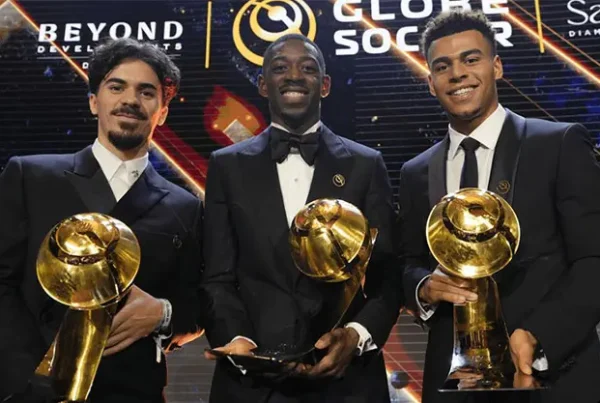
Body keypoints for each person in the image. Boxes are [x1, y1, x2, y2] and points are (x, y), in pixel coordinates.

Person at [398, 10, 600, 403]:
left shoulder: (558, 145)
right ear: (431, 82)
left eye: (471, 59)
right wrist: (424, 287)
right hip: (454, 384)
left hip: (552, 375)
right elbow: (408, 263)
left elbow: (593, 259)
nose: (458, 74)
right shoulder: (415, 172)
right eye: (443, 66)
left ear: (497, 67)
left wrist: (540, 337)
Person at [0, 38, 204, 403]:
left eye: (146, 92)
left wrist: (163, 314)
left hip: (133, 392)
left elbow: (198, 304)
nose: (131, 100)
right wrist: (24, 375)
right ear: (94, 101)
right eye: (116, 87)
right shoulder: (30, 177)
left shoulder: (185, 206)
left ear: (162, 112)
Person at [201, 34, 403, 402]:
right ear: (263, 84)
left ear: (325, 85)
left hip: (348, 383)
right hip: (253, 385)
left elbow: (387, 276)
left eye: (307, 68)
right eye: (280, 68)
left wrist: (356, 335)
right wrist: (237, 339)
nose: (294, 76)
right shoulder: (226, 166)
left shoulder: (366, 165)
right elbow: (217, 276)